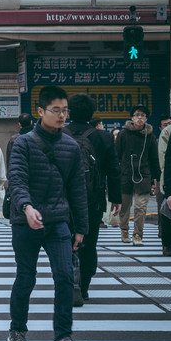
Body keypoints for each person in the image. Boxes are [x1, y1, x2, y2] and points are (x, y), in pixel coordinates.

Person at [7, 85, 89, 341]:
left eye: (65, 110)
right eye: (56, 110)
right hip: (25, 222)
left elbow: (78, 189)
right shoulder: (23, 143)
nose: (62, 115)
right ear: (41, 112)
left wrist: (81, 228)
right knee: (26, 277)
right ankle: (17, 329)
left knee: (65, 277)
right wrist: (27, 208)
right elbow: (17, 180)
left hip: (57, 223)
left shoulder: (71, 147)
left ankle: (63, 337)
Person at [64, 93, 122, 304]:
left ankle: (68, 283)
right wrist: (115, 198)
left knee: (64, 240)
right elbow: (114, 171)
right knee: (89, 241)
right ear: (91, 113)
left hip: (63, 200)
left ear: (69, 111)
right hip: (93, 199)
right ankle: (85, 286)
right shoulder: (103, 138)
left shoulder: (58, 134)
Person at [115, 104, 160, 246]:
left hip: (143, 176)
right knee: (125, 207)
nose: (139, 118)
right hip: (125, 175)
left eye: (142, 115)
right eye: (137, 115)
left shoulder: (150, 136)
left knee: (141, 207)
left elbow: (154, 159)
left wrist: (156, 179)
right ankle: (124, 230)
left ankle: (138, 235)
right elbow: (116, 156)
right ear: (132, 117)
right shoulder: (123, 134)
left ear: (146, 118)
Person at [156, 115, 171, 242]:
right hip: (168, 176)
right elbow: (164, 157)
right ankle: (166, 241)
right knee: (167, 208)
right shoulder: (168, 132)